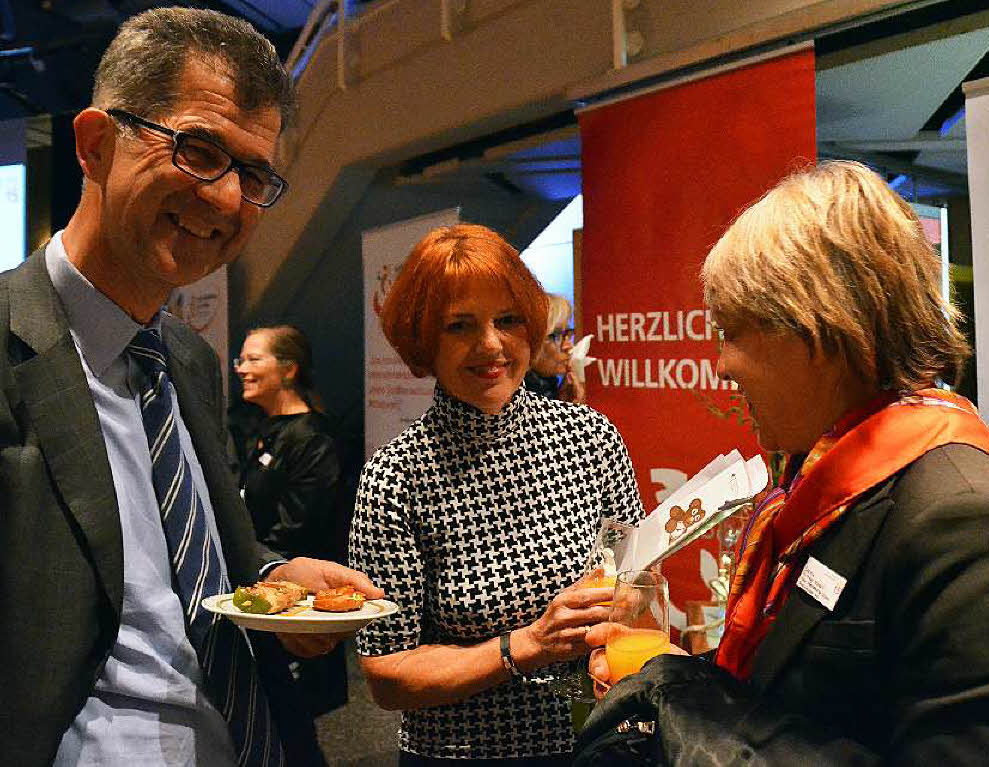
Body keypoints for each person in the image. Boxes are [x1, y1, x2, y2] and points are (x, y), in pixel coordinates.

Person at [0, 8, 382, 766]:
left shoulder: (184, 357)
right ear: (95, 145)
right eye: (200, 151)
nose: (230, 200)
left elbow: (182, 555)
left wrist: (273, 576)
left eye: (255, 174)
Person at [577, 161, 989, 765]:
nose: (723, 366)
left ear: (823, 328)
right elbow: (802, 694)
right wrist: (683, 679)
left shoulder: (964, 517)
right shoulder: (824, 476)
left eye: (732, 331)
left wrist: (692, 712)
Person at [349, 223, 645, 765]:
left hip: (596, 738)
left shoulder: (590, 438)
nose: (490, 345)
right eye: (459, 326)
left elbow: (638, 582)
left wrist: (618, 606)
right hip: (465, 752)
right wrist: (527, 645)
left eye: (507, 320)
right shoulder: (396, 478)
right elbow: (386, 674)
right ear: (422, 341)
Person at [236, 324, 352, 715]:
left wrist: (258, 568)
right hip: (266, 594)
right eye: (241, 359)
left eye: (253, 359)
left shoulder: (314, 438)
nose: (241, 368)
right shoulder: (262, 428)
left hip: (296, 603)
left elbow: (297, 527)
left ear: (289, 370)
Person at [524, 292, 585, 403]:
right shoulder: (513, 402)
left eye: (567, 334)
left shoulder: (550, 389)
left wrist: (566, 406)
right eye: (556, 335)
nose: (568, 346)